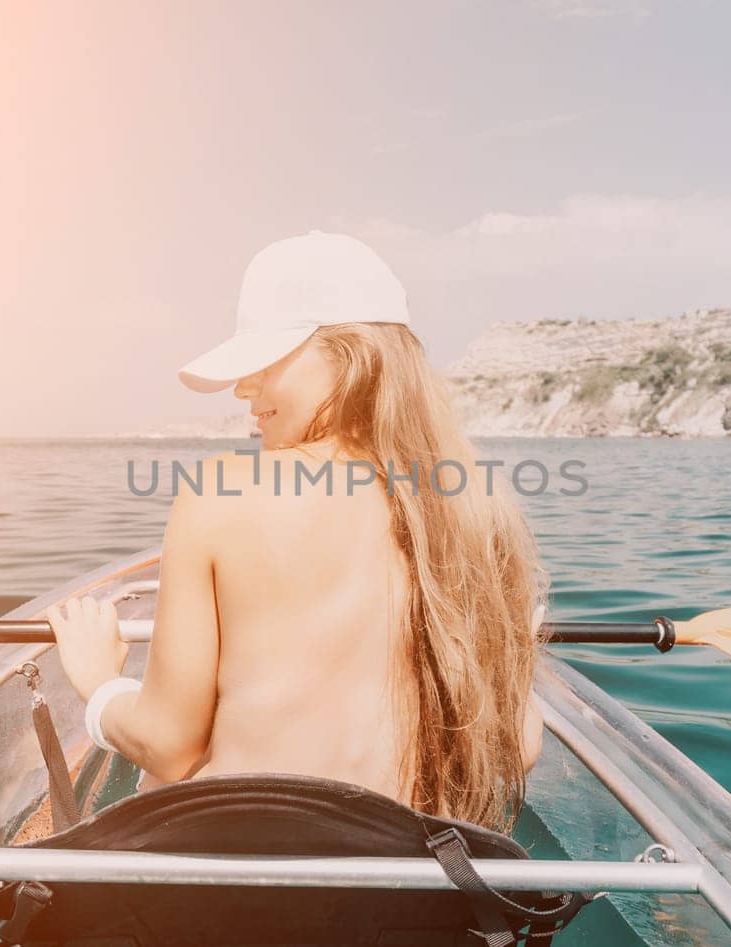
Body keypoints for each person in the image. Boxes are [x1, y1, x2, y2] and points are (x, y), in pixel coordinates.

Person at [48, 231, 547, 832]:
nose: (243, 388)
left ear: (347, 355)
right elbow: (516, 750)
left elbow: (168, 745)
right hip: (410, 896)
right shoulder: (475, 505)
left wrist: (100, 684)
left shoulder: (218, 491)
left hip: (244, 882)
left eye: (263, 361)